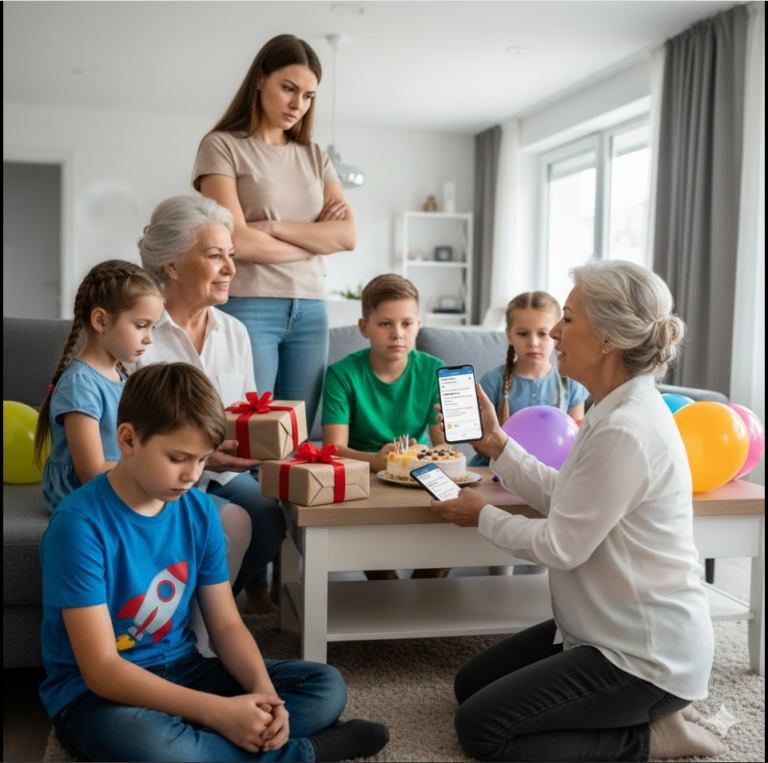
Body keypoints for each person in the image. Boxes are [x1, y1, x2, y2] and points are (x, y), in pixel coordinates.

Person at [430, 260, 724, 762]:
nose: (556, 333)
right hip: (599, 628)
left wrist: (480, 515)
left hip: (643, 656)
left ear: (608, 338)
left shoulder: (625, 429)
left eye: (567, 318)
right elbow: (569, 497)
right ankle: (644, 714)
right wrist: (498, 445)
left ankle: (654, 736)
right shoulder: (612, 409)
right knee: (470, 686)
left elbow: (560, 545)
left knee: (482, 732)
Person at [39, 362, 390, 763]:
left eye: (203, 460)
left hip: (183, 668)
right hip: (95, 694)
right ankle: (306, 753)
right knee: (141, 741)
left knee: (325, 686)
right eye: (177, 458)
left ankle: (206, 743)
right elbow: (101, 668)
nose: (192, 474)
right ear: (128, 439)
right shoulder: (78, 526)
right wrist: (219, 712)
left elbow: (225, 625)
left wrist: (265, 698)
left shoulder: (200, 511)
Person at [193, 33, 356, 434]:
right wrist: (314, 240)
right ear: (261, 79)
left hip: (311, 309)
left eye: (308, 95)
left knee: (297, 436)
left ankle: (290, 500)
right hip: (250, 304)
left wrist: (275, 228)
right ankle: (244, 500)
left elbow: (347, 236)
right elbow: (238, 242)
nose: (298, 104)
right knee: (250, 434)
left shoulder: (315, 156)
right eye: (289, 88)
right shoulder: (222, 147)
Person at [133, 194, 285, 615]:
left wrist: (261, 444)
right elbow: (122, 429)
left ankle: (206, 614)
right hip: (157, 475)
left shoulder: (235, 331)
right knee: (221, 524)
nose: (231, 269)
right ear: (173, 264)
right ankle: (181, 624)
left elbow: (243, 414)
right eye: (215, 255)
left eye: (231, 255)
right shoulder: (138, 332)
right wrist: (202, 456)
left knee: (269, 516)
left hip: (220, 475)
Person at [322, 274, 449, 580]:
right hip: (365, 475)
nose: (397, 334)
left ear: (418, 324)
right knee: (370, 537)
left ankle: (425, 588)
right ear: (364, 327)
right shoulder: (341, 374)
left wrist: (427, 454)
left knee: (455, 514)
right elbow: (333, 449)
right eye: (385, 324)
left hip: (419, 474)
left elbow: (445, 446)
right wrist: (377, 460)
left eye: (407, 324)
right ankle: (386, 584)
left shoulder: (435, 370)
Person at [35, 259, 164, 512]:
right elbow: (91, 471)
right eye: (141, 326)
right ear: (101, 321)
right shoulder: (79, 384)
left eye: (153, 327)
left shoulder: (121, 377)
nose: (149, 338)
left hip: (119, 484)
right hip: (82, 496)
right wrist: (152, 470)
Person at [469, 291, 589, 468]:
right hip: (496, 471)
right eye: (523, 334)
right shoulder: (492, 382)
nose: (533, 342)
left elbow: (576, 441)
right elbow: (480, 442)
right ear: (509, 336)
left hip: (553, 474)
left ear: (556, 333)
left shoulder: (571, 383)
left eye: (542, 333)